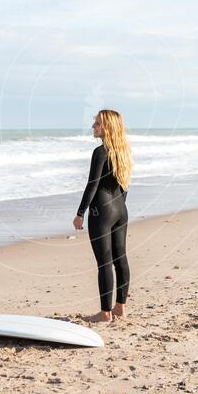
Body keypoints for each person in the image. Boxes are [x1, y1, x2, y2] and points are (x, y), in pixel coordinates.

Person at [73, 110, 133, 323]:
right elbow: (124, 186)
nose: (93, 127)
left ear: (107, 127)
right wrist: (118, 208)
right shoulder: (123, 151)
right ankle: (120, 308)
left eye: (97, 124)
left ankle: (105, 313)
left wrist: (80, 213)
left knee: (104, 263)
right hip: (120, 211)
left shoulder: (100, 152)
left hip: (102, 212)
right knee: (120, 259)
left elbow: (92, 185)